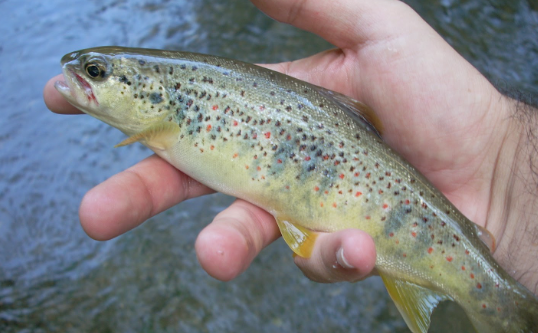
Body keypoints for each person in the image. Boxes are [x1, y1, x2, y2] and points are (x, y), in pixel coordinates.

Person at [43, 0, 538, 294]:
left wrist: (505, 158)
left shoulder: (173, 114)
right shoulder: (167, 119)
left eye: (96, 73)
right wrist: (505, 159)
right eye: (95, 72)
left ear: (155, 91)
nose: (82, 77)